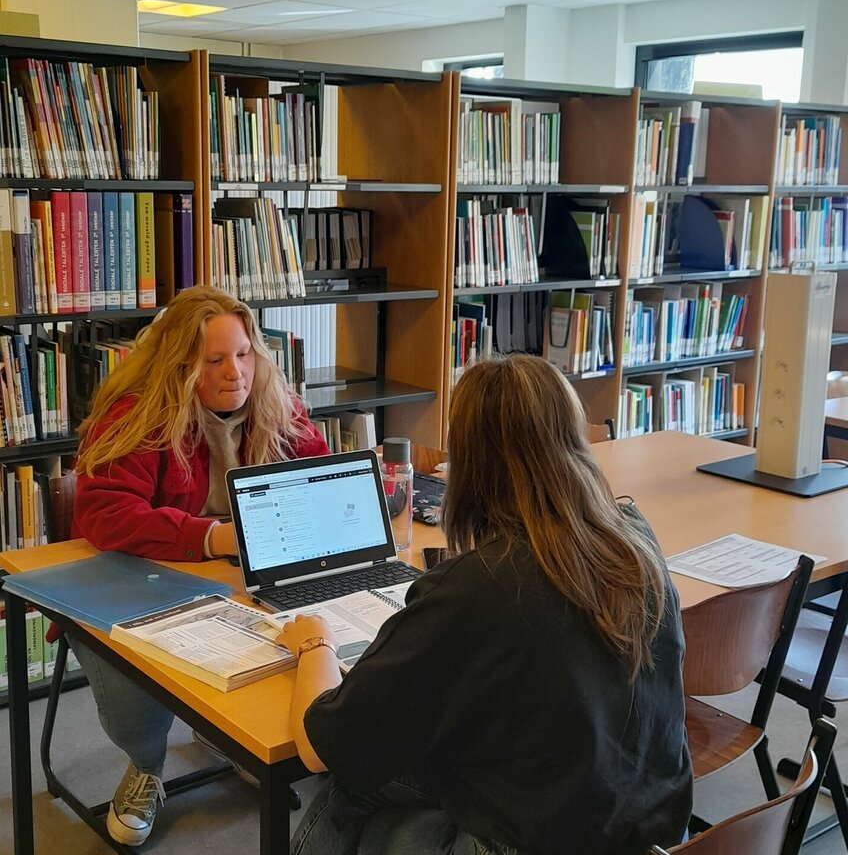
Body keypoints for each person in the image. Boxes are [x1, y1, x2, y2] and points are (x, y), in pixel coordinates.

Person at [280, 354, 692, 855]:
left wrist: (314, 644)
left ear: (470, 460)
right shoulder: (635, 538)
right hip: (649, 830)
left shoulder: (478, 588)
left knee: (352, 779)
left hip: (535, 841)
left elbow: (321, 748)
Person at [70, 285, 329, 847]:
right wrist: (212, 538)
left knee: (323, 631)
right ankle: (146, 766)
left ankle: (232, 739)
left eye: (243, 353)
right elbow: (105, 512)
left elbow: (315, 473)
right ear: (181, 366)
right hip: (146, 578)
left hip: (241, 581)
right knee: (129, 671)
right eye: (214, 360)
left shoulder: (273, 397)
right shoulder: (140, 409)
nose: (235, 371)